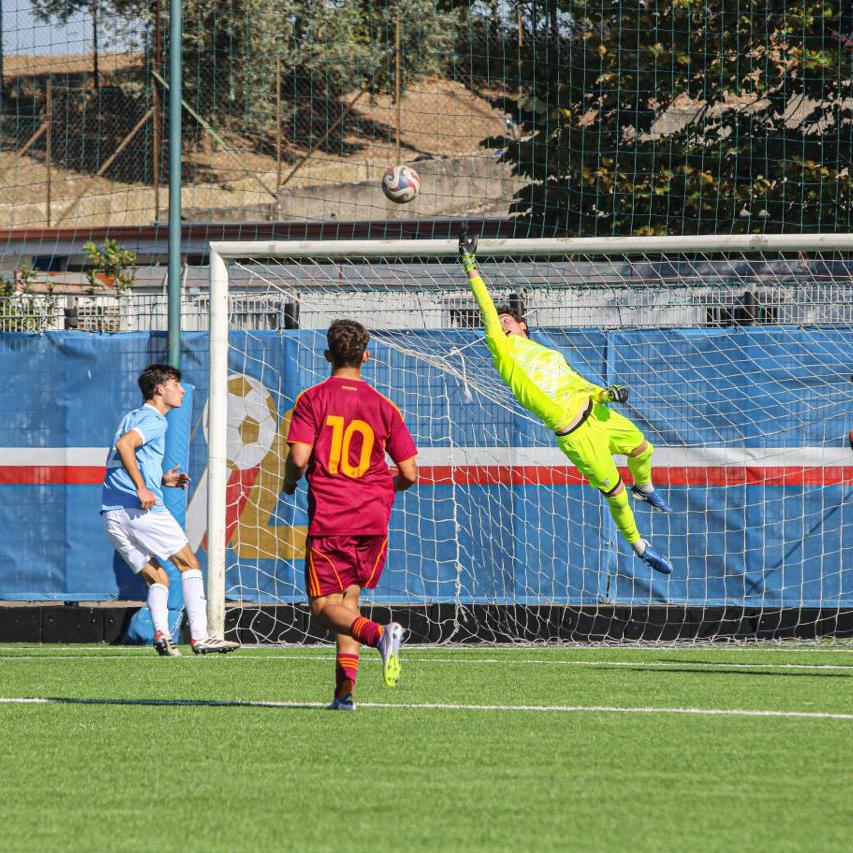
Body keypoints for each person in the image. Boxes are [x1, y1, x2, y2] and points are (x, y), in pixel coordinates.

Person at [458, 228, 674, 576]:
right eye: (498, 322)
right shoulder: (503, 351)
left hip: (598, 413)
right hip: (575, 434)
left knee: (643, 449)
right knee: (615, 492)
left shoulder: (550, 355)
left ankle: (646, 487)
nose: (500, 322)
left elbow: (578, 385)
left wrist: (607, 394)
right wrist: (470, 264)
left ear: (523, 325)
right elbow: (485, 305)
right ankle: (640, 546)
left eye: (507, 319)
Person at [285, 319, 418, 710]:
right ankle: (344, 696)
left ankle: (380, 635)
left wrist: (291, 482)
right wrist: (378, 489)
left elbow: (298, 457)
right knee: (348, 603)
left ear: (327, 355)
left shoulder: (312, 398)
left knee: (324, 610)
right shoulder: (384, 405)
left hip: (332, 516)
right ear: (366, 355)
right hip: (373, 519)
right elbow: (410, 473)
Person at [101, 363, 240, 656]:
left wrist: (160, 480)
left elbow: (124, 454)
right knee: (190, 564)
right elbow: (125, 446)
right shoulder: (155, 420)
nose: (180, 390)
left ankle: (162, 635)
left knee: (158, 577)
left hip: (112, 513)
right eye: (175, 384)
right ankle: (202, 637)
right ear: (159, 389)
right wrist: (142, 488)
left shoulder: (132, 417)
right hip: (139, 510)